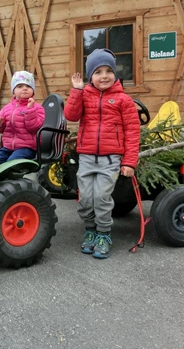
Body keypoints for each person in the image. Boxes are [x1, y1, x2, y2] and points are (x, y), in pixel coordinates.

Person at [64, 48, 140, 259]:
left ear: (115, 74)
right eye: (98, 72)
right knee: (85, 199)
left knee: (102, 198)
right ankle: (90, 231)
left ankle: (104, 235)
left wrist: (130, 162)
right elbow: (71, 114)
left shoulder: (123, 100)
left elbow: (133, 132)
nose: (104, 76)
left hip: (110, 159)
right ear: (90, 76)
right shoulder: (84, 95)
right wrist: (77, 91)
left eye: (108, 71)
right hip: (87, 157)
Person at [0, 71, 45, 172]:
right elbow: (0, 128)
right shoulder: (7, 108)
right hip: (8, 147)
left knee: (11, 164)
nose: (25, 88)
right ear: (13, 91)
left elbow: (34, 127)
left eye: (28, 86)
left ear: (33, 91)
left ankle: (8, 185)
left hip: (27, 147)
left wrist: (30, 110)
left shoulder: (37, 108)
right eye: (20, 86)